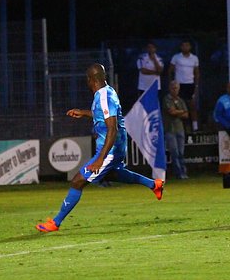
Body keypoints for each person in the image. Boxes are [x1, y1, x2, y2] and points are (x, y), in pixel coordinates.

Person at [36, 63, 164, 233]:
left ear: (92, 80)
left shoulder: (104, 97)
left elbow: (112, 128)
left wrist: (100, 159)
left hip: (111, 148)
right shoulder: (106, 92)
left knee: (78, 181)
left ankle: (56, 222)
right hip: (116, 146)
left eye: (87, 79)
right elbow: (103, 115)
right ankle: (154, 184)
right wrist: (83, 112)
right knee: (113, 174)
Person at [169, 41, 200, 131]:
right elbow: (170, 71)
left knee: (192, 105)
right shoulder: (176, 57)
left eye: (187, 45)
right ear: (181, 47)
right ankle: (180, 126)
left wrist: (196, 86)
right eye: (183, 45)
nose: (185, 47)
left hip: (190, 84)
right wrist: (171, 83)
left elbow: (197, 73)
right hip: (179, 85)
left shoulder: (194, 58)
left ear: (190, 47)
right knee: (178, 106)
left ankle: (195, 127)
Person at [162, 80, 189, 179]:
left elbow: (186, 115)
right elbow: (171, 112)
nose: (175, 90)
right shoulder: (166, 99)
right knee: (175, 152)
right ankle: (178, 173)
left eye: (176, 88)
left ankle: (183, 172)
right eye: (173, 88)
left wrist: (177, 112)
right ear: (170, 89)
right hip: (170, 129)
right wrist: (181, 112)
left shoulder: (180, 100)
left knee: (181, 152)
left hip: (180, 129)